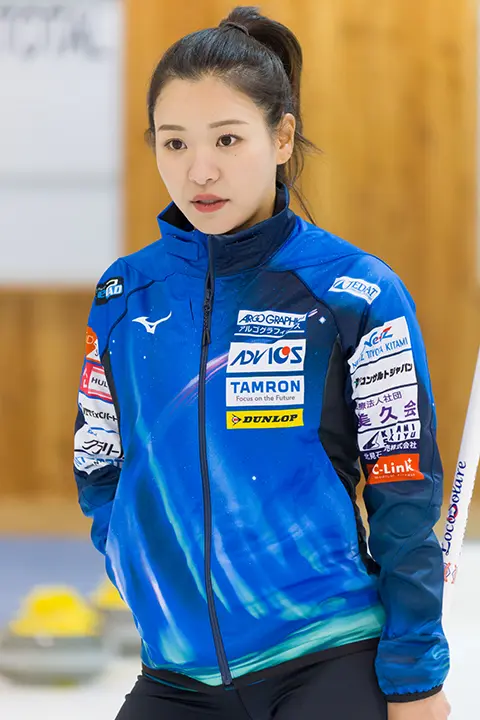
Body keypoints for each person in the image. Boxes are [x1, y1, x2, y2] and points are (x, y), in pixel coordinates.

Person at [73, 6, 451, 719]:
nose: (200, 169)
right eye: (174, 142)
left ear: (280, 138)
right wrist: (142, 565)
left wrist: (416, 676)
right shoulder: (124, 295)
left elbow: (402, 494)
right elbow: (100, 464)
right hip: (176, 672)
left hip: (326, 656)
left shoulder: (354, 291)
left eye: (227, 138)